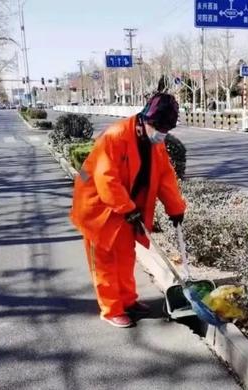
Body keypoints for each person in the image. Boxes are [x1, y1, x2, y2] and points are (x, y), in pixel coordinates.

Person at [70, 93, 186, 328]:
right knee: (104, 260)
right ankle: (111, 308)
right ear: (144, 119)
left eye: (166, 129)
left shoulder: (156, 144)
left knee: (125, 256)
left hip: (125, 208)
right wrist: (127, 208)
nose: (161, 133)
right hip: (97, 207)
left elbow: (165, 177)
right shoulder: (116, 136)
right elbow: (106, 178)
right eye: (158, 127)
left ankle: (128, 301)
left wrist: (175, 208)